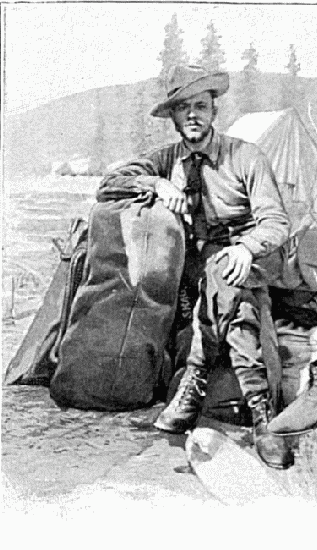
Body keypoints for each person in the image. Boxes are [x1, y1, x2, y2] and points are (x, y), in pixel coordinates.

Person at [99, 65, 292, 469]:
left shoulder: (245, 156)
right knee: (224, 296)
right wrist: (157, 185)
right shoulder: (167, 159)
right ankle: (262, 420)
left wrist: (246, 248)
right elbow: (111, 182)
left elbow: (276, 222)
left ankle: (204, 387)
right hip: (197, 264)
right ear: (173, 117)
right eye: (183, 108)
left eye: (200, 106)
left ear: (214, 111)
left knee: (226, 278)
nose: (192, 116)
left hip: (248, 258)